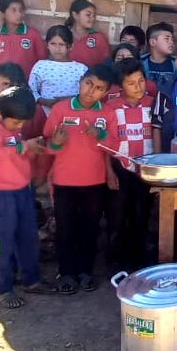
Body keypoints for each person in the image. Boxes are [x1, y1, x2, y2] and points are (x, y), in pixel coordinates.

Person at [0, 85, 55, 308]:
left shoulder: (13, 127)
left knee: (28, 238)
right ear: (0, 113)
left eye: (22, 123)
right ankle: (3, 288)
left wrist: (31, 148)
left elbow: (18, 152)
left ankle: (31, 280)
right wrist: (23, 146)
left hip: (22, 192)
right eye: (16, 123)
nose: (20, 127)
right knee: (1, 243)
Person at [43, 64, 115, 294]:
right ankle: (66, 273)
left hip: (95, 182)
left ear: (105, 93)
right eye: (88, 84)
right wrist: (57, 142)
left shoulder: (107, 113)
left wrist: (101, 135)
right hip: (64, 182)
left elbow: (113, 148)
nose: (90, 91)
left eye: (98, 88)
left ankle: (85, 272)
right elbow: (48, 147)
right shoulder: (60, 110)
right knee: (65, 229)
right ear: (81, 81)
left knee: (90, 228)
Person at [105, 59, 157, 272]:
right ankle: (115, 259)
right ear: (120, 86)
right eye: (131, 83)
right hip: (121, 167)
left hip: (146, 168)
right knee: (117, 215)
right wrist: (109, 171)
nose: (138, 87)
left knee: (142, 214)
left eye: (141, 81)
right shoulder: (111, 107)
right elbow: (104, 143)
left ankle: (140, 259)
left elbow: (160, 133)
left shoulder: (153, 104)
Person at [28, 25, 88, 115]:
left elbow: (87, 93)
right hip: (45, 116)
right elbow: (31, 90)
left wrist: (68, 100)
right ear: (47, 45)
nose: (57, 49)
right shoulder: (41, 66)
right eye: (53, 44)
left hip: (73, 116)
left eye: (61, 44)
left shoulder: (81, 69)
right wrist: (43, 101)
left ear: (71, 46)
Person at [0, 0, 46, 76]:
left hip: (27, 82)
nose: (19, 14)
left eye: (21, 10)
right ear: (2, 14)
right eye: (13, 10)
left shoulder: (33, 34)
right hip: (6, 83)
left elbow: (42, 60)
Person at [65, 0, 110, 67]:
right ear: (75, 15)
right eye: (88, 14)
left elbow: (107, 64)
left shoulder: (99, 38)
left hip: (90, 76)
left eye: (94, 15)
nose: (92, 18)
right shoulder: (63, 35)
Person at [141, 22, 177, 88]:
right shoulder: (140, 62)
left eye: (172, 39)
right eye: (167, 39)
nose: (171, 42)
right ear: (152, 42)